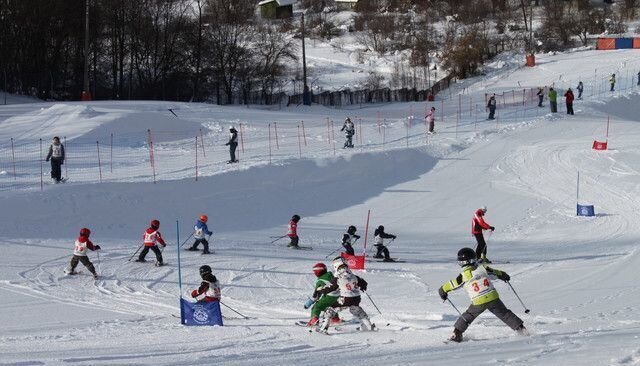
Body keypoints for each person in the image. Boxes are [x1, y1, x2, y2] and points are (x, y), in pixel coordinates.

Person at [438, 248, 528, 343]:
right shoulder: (483, 268)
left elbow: (453, 284)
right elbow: (495, 273)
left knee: (468, 316)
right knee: (505, 314)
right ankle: (522, 330)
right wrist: (503, 275)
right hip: (492, 297)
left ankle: (457, 334)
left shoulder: (463, 276)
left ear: (461, 263)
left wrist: (443, 290)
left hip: (478, 301)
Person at [314, 257, 374, 333]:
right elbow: (363, 282)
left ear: (336, 266)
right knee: (356, 310)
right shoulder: (353, 275)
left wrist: (321, 290)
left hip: (345, 298)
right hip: (356, 298)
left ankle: (323, 328)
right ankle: (367, 326)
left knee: (330, 310)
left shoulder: (338, 277)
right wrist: (363, 287)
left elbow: (330, 287)